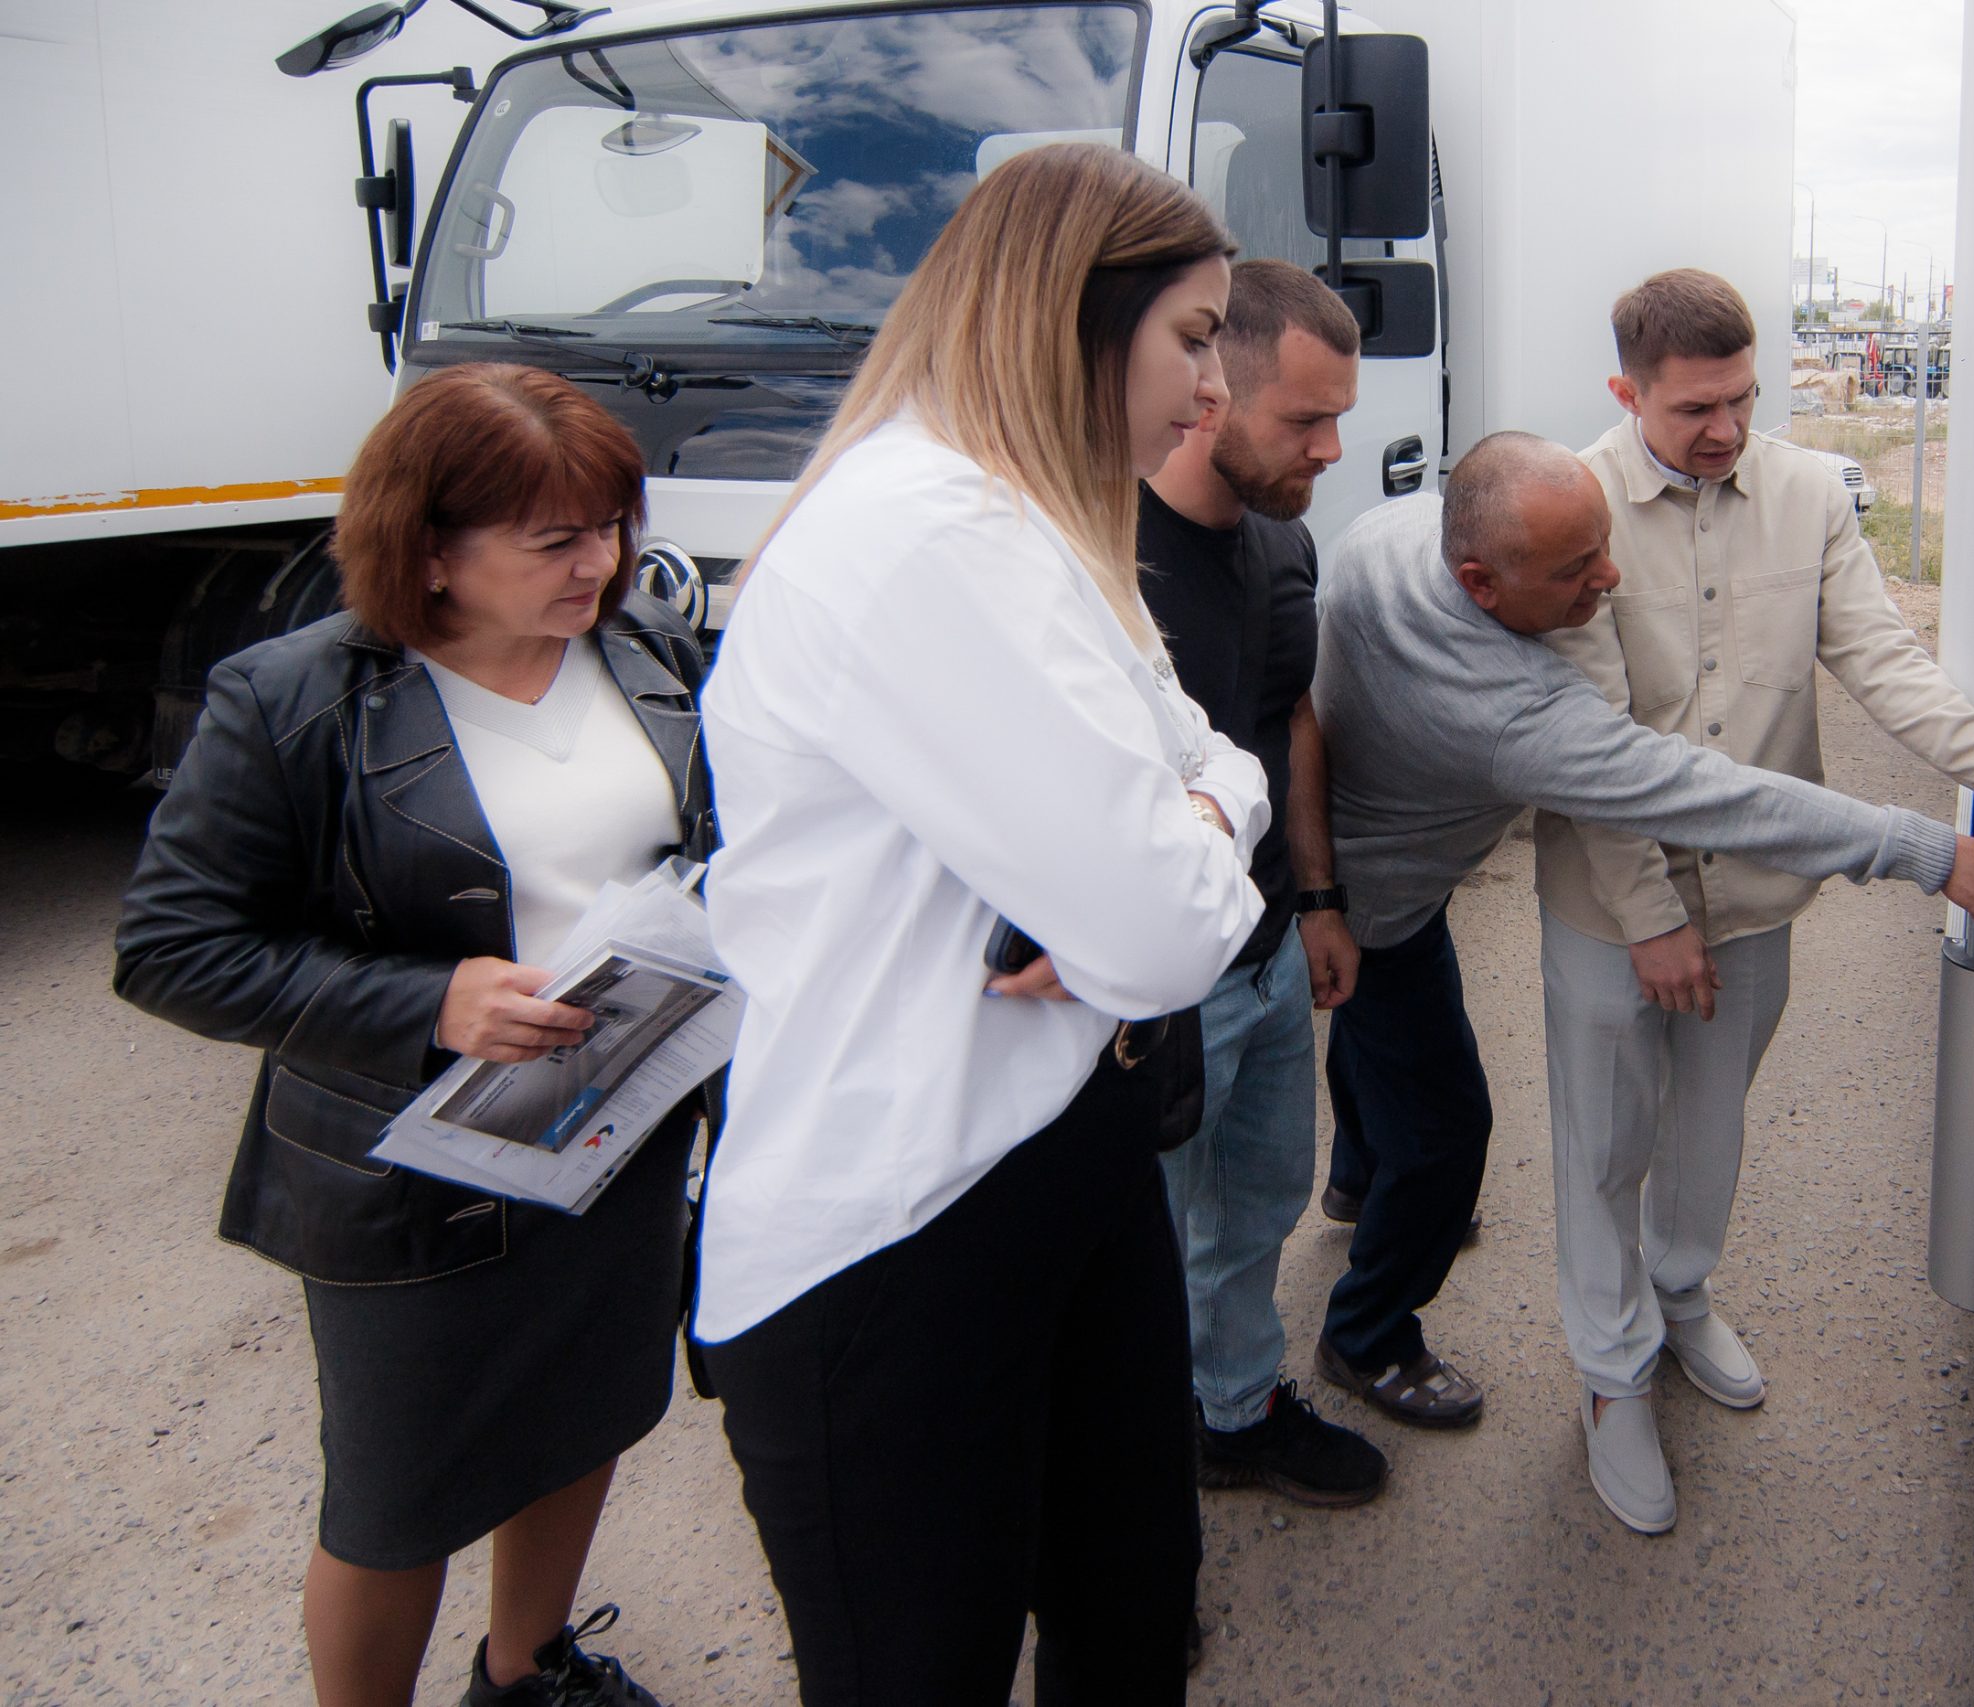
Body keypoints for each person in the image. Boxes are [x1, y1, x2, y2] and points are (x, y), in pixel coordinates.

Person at [692, 144, 1267, 1704]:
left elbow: (1216, 758)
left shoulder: (1031, 526)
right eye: (1194, 335)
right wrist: (1175, 847)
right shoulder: (925, 534)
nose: (1216, 388)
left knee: (1133, 1618)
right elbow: (1168, 934)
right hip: (897, 1223)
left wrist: (1193, 819)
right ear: (1074, 314)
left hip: (1061, 1145)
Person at [114, 363, 714, 1707]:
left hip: (613, 1130)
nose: (600, 564)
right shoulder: (292, 699)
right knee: (396, 1498)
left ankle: (528, 1668)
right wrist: (429, 1003)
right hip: (406, 1175)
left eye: (610, 527)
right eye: (554, 540)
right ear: (428, 547)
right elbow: (168, 950)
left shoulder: (643, 651)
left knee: (589, 1413)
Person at [1307, 433, 1974, 1471]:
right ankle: (1368, 1333)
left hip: (1358, 858)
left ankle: (1355, 1178)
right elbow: (1704, 794)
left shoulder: (1391, 533)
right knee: (1446, 1133)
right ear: (1480, 582)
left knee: (1379, 1042)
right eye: (1575, 569)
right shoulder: (1516, 712)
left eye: (1604, 546)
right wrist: (1931, 851)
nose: (1609, 578)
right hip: (1376, 897)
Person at [1536, 270, 1974, 1532]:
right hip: (1610, 903)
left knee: (1708, 1129)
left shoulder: (1811, 495)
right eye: (1693, 408)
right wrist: (1652, 916)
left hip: (1757, 892)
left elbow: (1886, 663)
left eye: (1743, 399)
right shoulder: (1574, 507)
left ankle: (1679, 1298)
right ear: (1625, 393)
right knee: (1604, 1145)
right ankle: (1611, 1377)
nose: (1726, 428)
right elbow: (1583, 741)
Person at [1140, 258, 1388, 1507]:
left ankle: (1233, 1410)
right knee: (1143, 1242)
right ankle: (1134, 1481)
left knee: (1259, 1206)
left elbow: (1290, 717)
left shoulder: (1284, 539)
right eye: (1306, 419)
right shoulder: (1101, 557)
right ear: (1210, 394)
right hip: (1157, 983)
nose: (1333, 448)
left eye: (1339, 415)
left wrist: (1319, 899)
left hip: (1271, 950)